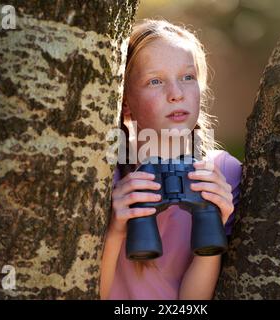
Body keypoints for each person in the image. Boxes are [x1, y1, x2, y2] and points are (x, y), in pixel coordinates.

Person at [100, 18, 242, 300]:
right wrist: (116, 229)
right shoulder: (104, 171)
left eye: (188, 77)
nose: (176, 94)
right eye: (155, 81)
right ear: (124, 101)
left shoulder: (224, 172)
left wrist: (212, 225)